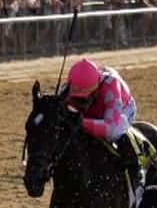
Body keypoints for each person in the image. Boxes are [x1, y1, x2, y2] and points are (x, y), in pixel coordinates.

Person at [63, 57, 146, 198]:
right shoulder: (68, 89)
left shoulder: (111, 85)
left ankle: (136, 171)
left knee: (117, 132)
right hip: (94, 114)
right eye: (75, 99)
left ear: (95, 90)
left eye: (83, 99)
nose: (79, 104)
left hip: (122, 110)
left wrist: (81, 122)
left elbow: (111, 128)